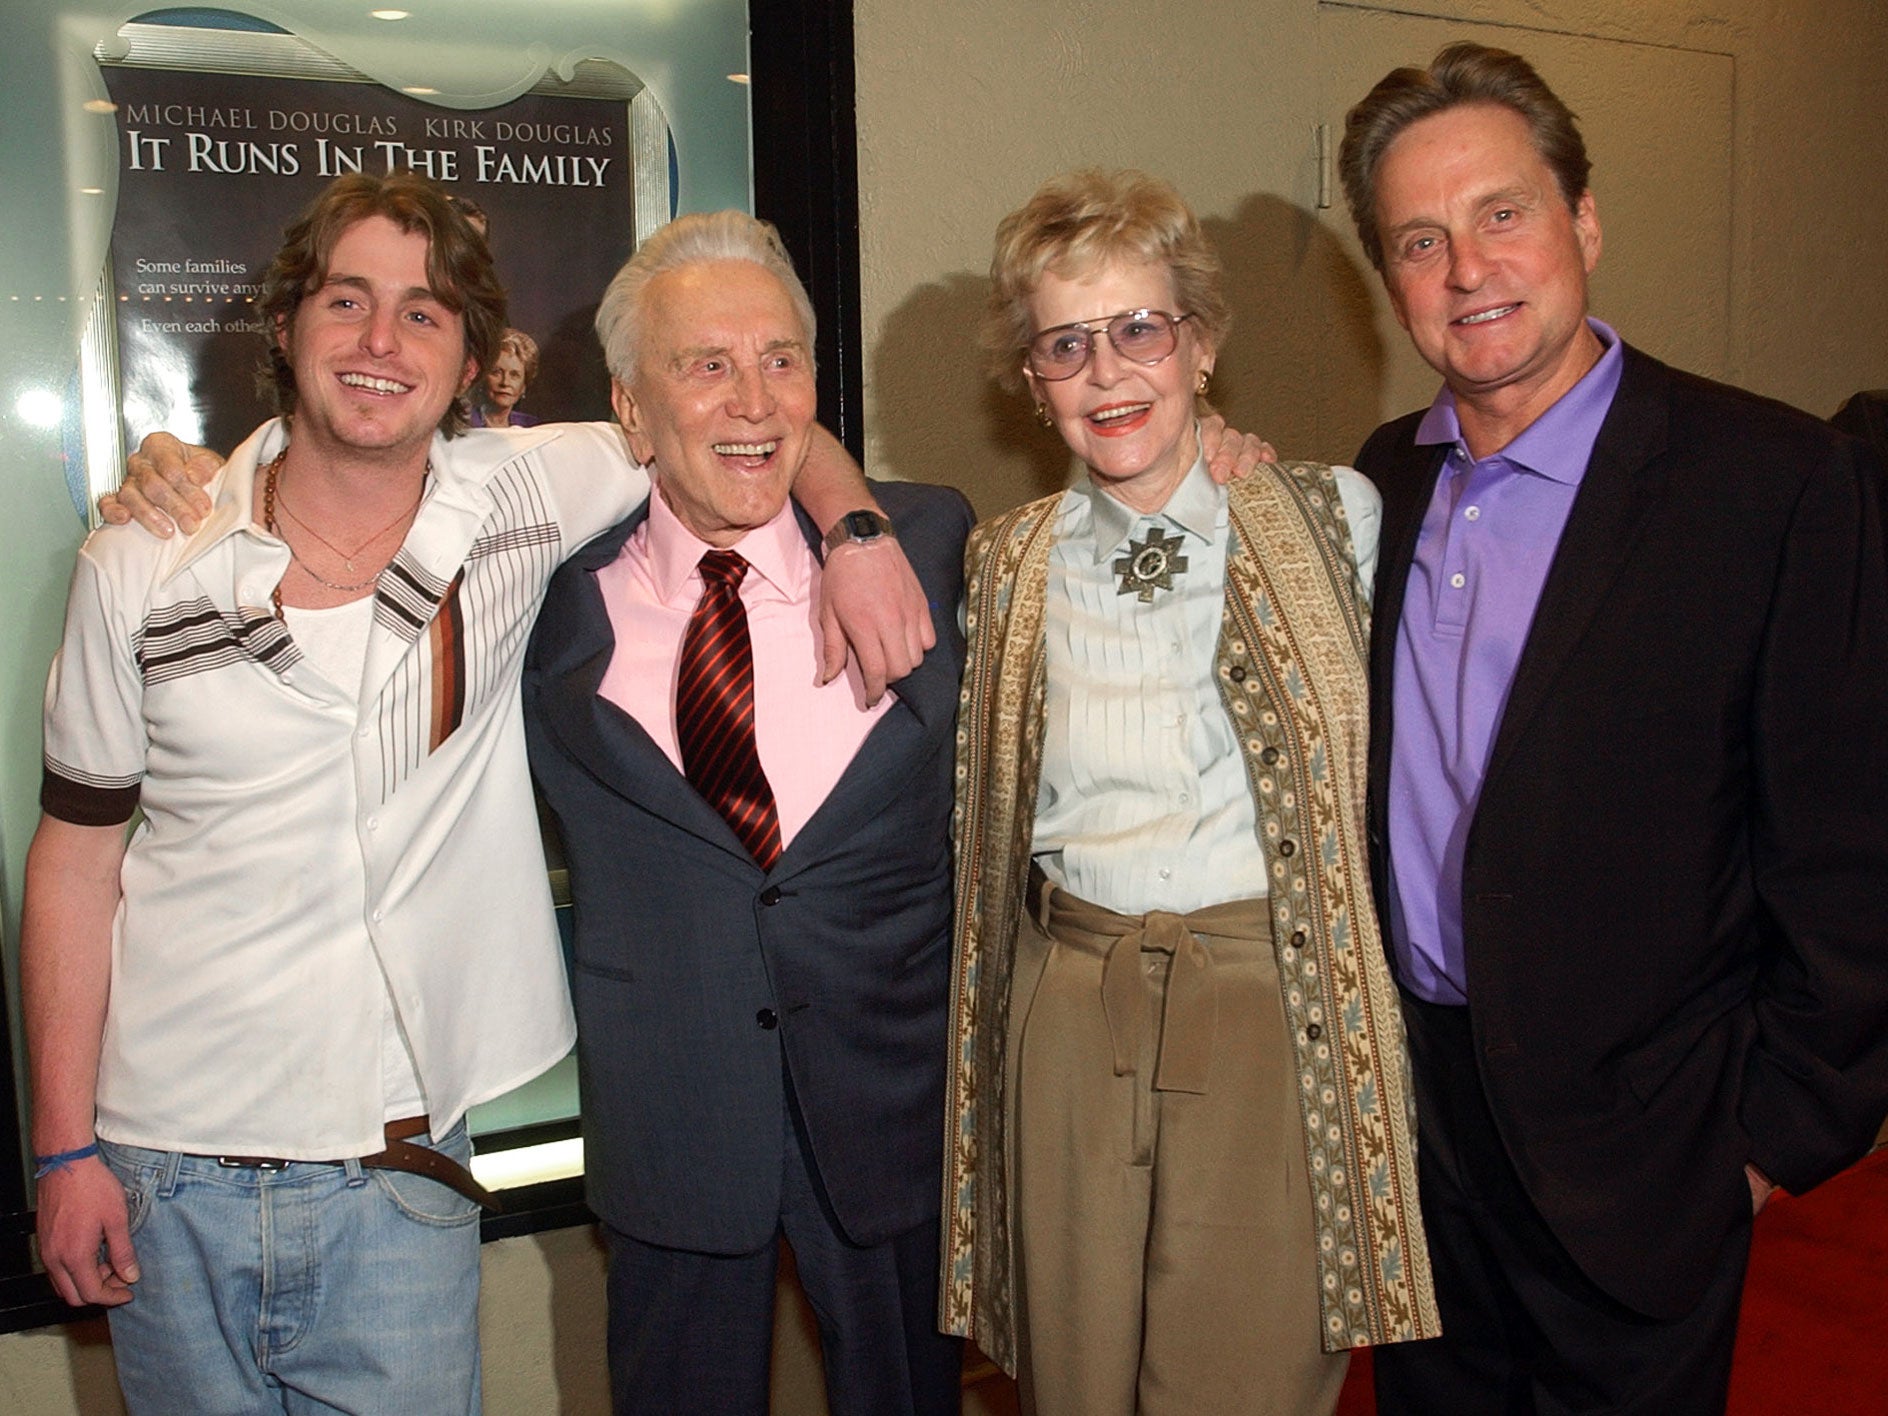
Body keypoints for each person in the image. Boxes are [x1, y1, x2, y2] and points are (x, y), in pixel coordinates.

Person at [27, 171, 927, 1413]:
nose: (381, 344)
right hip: (161, 1163)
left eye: (425, 314)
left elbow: (743, 418)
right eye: (348, 302)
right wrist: (62, 1146)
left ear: (468, 362)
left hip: (400, 1164)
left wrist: (861, 531)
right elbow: (73, 862)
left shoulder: (519, 498)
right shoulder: (143, 556)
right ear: (286, 326)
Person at [1338, 42, 1888, 1415]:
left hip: (1647, 1146)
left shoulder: (1774, 484)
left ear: (1583, 221)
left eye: (1503, 213)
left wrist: (1768, 1143)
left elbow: (1848, 849)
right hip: (1420, 1138)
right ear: (1391, 283)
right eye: (1420, 239)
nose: (1468, 268)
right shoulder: (1372, 483)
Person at [942, 168, 1437, 1416]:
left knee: (1247, 1380)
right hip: (1066, 1010)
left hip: (1271, 1011)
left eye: (1138, 330)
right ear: (1032, 379)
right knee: (1071, 1381)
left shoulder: (1333, 516)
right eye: (1065, 344)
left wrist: (1235, 484)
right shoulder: (1004, 564)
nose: (1107, 373)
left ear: (1201, 347)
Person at [521, 210, 972, 1416]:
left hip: (893, 1122)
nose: (753, 402)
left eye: (780, 360)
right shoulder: (545, 613)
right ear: (630, 404)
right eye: (704, 365)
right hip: (672, 1121)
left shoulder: (932, 545)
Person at [468, 326, 541, 427]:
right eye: (496, 372)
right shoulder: (464, 423)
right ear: (482, 378)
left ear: (524, 386)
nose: (505, 382)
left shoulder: (532, 427)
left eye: (514, 375)